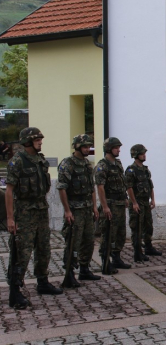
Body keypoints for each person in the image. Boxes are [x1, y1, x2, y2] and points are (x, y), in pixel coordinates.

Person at [5, 127, 62, 309]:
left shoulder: (40, 160)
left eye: (40, 139)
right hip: (24, 212)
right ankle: (15, 290)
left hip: (41, 209)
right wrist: (10, 219)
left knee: (43, 247)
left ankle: (43, 281)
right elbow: (9, 191)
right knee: (22, 251)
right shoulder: (17, 162)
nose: (40, 142)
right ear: (27, 142)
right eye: (37, 140)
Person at [57, 134, 101, 286]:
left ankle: (84, 269)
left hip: (87, 209)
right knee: (73, 242)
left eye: (89, 146)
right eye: (84, 146)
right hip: (74, 210)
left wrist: (95, 207)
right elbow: (62, 188)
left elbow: (92, 188)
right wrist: (67, 210)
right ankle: (69, 272)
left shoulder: (88, 164)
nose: (87, 149)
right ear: (76, 147)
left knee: (88, 241)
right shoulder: (67, 164)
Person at [94, 137, 130, 274]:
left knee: (120, 233)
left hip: (120, 203)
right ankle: (105, 261)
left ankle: (116, 257)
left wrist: (125, 197)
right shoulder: (102, 166)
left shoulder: (118, 163)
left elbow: (122, 182)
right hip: (110, 204)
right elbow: (100, 188)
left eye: (118, 147)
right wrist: (105, 207)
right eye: (116, 147)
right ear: (108, 149)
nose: (118, 150)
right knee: (108, 233)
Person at [125, 144, 161, 262]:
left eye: (144, 153)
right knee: (137, 228)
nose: (144, 155)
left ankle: (148, 247)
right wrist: (134, 203)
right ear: (135, 155)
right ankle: (137, 252)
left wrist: (153, 200)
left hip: (145, 202)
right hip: (137, 203)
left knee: (148, 225)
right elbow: (129, 187)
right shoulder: (131, 170)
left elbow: (150, 185)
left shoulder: (145, 170)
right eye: (142, 153)